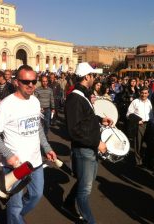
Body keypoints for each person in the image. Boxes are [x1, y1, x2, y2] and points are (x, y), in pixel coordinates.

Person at [0, 65, 57, 224]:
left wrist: (47, 148)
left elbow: (38, 126)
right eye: (26, 81)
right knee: (16, 203)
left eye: (34, 81)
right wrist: (8, 155)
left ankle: (14, 215)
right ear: (16, 82)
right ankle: (15, 216)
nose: (31, 85)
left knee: (36, 195)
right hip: (15, 165)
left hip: (35, 161)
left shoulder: (34, 101)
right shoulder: (6, 105)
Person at [63, 62, 113, 224]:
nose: (94, 78)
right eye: (92, 76)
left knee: (84, 183)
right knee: (85, 191)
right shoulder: (75, 98)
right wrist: (97, 143)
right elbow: (75, 130)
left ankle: (68, 203)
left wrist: (100, 120)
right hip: (84, 150)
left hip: (88, 149)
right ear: (86, 77)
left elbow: (86, 119)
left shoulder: (82, 95)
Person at [126, 86, 154, 169]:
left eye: (146, 93)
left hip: (149, 124)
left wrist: (153, 124)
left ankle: (149, 162)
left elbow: (151, 115)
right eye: (142, 93)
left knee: (150, 144)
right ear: (139, 93)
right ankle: (139, 162)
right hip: (140, 125)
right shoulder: (135, 102)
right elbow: (128, 114)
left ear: (148, 93)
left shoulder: (149, 102)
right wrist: (136, 121)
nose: (144, 95)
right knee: (138, 144)